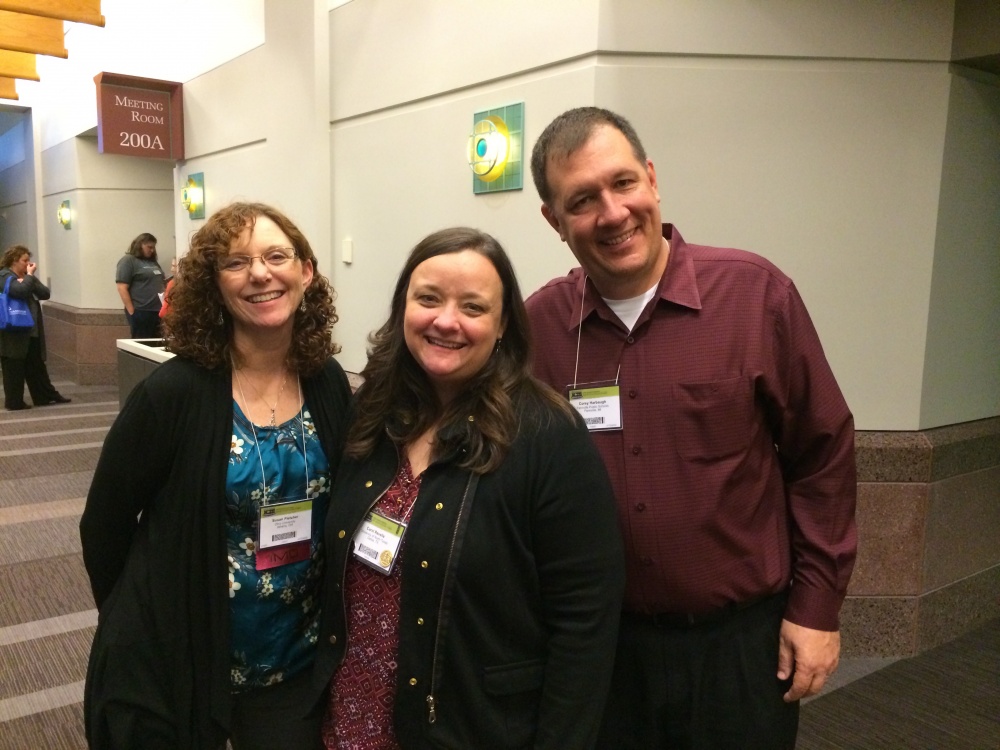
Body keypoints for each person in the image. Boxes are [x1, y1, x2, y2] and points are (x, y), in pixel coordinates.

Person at [525, 107, 857, 749]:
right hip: (601, 653)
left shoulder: (755, 295)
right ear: (554, 220)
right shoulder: (540, 327)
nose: (613, 213)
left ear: (651, 179)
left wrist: (817, 608)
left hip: (738, 649)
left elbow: (823, 455)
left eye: (623, 183)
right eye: (583, 200)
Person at [313, 227, 625, 749]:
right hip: (352, 712)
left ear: (503, 324)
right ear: (403, 308)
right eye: (428, 299)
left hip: (469, 727)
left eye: (473, 307)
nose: (445, 321)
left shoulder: (548, 435)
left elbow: (585, 623)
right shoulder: (374, 415)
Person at [81, 202, 352, 750]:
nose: (260, 273)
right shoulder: (172, 394)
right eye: (236, 262)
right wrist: (134, 626)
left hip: (291, 663)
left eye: (277, 255)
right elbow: (104, 524)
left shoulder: (325, 381)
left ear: (306, 272)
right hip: (183, 660)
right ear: (213, 285)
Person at [0, 245, 71, 410]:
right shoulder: (4, 275)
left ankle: (45, 396)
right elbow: (19, 291)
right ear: (13, 261)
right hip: (13, 330)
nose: (28, 264)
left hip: (30, 329)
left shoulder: (26, 276)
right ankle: (14, 402)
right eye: (24, 260)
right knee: (14, 365)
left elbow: (45, 293)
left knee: (36, 364)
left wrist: (29, 278)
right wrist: (29, 277)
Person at [115, 231, 166, 338]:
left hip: (158, 311)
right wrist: (132, 311)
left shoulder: (152, 262)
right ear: (140, 245)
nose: (152, 250)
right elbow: (122, 287)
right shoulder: (128, 261)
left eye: (153, 247)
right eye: (149, 247)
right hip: (141, 311)